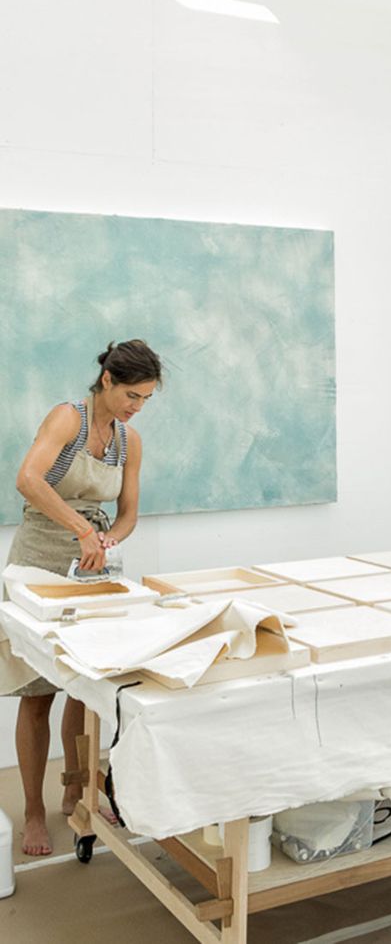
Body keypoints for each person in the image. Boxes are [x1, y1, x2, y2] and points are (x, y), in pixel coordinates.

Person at [5, 338, 162, 856]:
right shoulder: (66, 419)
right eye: (131, 395)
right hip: (39, 558)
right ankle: (32, 809)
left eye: (146, 399)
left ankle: (76, 791)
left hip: (91, 562)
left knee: (84, 686)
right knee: (36, 692)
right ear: (108, 381)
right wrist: (80, 528)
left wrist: (108, 539)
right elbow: (29, 480)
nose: (136, 407)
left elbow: (128, 513)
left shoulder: (129, 441)